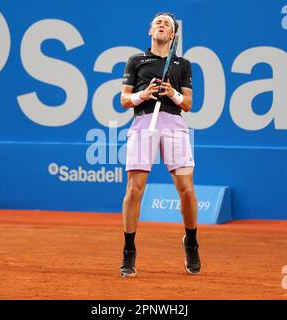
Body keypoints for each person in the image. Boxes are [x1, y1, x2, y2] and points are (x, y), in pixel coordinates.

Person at [120, 12, 200, 277]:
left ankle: (191, 241)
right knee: (135, 190)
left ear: (173, 34)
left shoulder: (183, 64)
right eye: (157, 22)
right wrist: (143, 94)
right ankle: (129, 250)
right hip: (144, 123)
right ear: (149, 31)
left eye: (167, 23)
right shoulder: (136, 61)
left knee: (186, 189)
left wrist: (172, 93)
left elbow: (187, 104)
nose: (162, 25)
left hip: (174, 124)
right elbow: (124, 99)